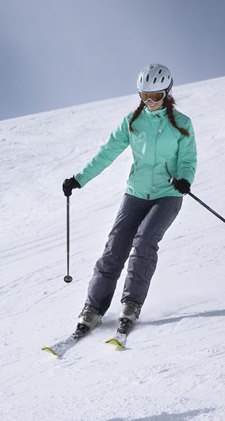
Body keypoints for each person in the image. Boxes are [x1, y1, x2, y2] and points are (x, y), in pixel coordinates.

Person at [62, 63, 197, 338]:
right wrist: (79, 179)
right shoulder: (133, 122)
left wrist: (185, 179)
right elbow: (107, 153)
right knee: (114, 249)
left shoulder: (182, 124)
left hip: (168, 194)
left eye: (155, 96)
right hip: (135, 193)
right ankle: (93, 308)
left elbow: (187, 159)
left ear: (167, 93)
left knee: (145, 241)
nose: (149, 102)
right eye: (144, 96)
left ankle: (131, 304)